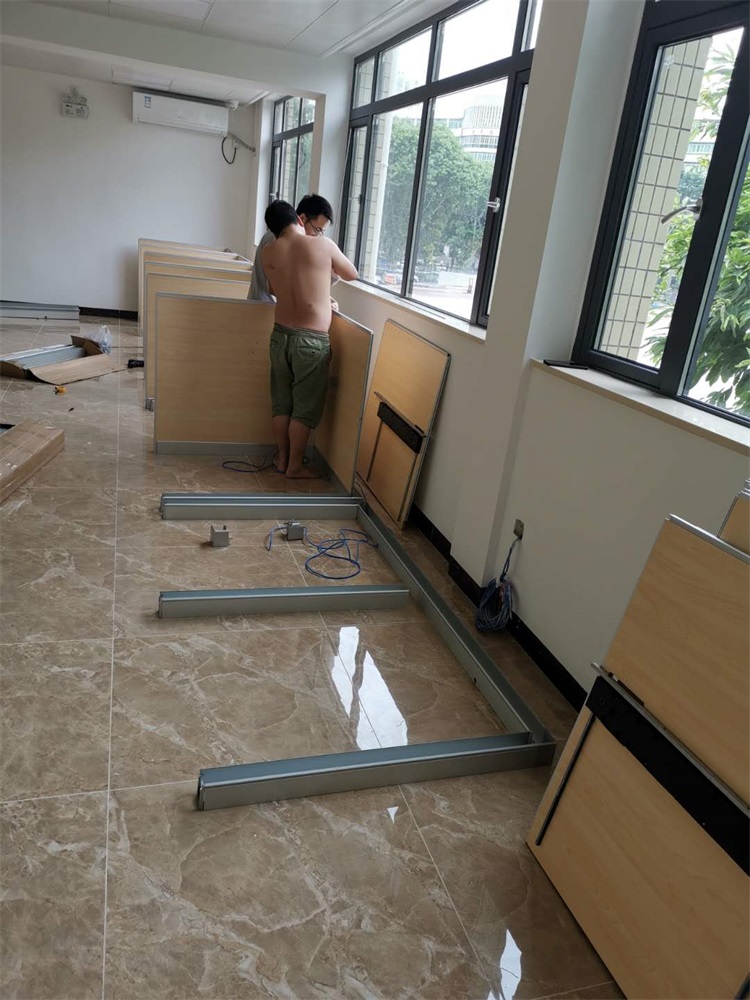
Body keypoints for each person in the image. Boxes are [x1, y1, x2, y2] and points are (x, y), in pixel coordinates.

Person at [262, 199, 358, 478]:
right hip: (311, 342)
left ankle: (282, 458)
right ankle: (295, 466)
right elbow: (351, 274)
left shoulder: (268, 252)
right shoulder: (322, 245)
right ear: (299, 219)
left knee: (281, 405)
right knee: (303, 409)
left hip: (280, 336)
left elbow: (274, 288)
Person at [248, 193, 339, 304]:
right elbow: (281, 288)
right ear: (302, 219)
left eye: (321, 232)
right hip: (263, 308)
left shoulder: (292, 242)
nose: (317, 236)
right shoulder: (276, 240)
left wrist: (328, 299)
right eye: (317, 230)